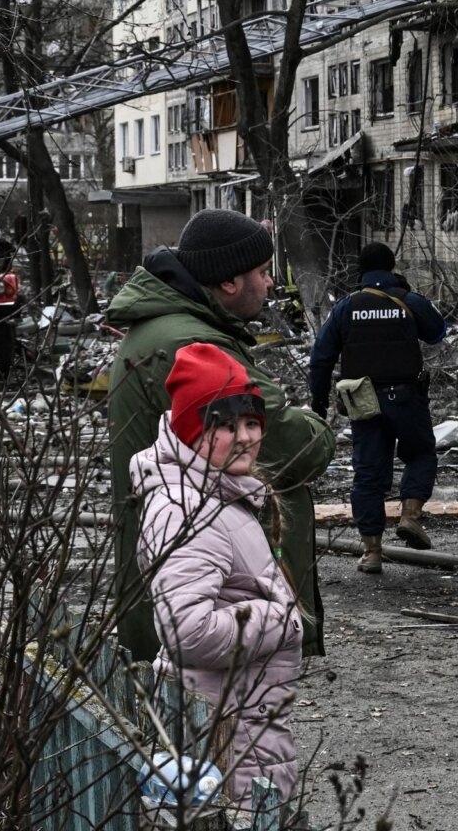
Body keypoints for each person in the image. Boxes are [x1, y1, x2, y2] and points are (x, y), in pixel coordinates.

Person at [107, 208, 335, 662]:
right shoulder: (195, 347)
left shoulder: (162, 329)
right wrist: (317, 426)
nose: (270, 284)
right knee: (226, 728)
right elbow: (295, 449)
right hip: (212, 592)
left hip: (179, 576)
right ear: (229, 282)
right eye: (263, 272)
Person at [132, 341, 303, 805]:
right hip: (223, 738)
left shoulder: (218, 493)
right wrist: (279, 620)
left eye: (251, 422)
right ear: (191, 432)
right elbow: (186, 630)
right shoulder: (187, 510)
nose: (246, 436)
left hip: (240, 724)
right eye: (226, 426)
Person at [308, 242, 447, 566]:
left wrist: (319, 402)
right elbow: (437, 332)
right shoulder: (408, 301)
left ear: (361, 270)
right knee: (421, 452)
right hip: (406, 397)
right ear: (391, 265)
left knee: (368, 474)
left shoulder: (346, 307)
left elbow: (320, 357)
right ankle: (410, 515)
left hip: (363, 400)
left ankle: (371, 551)